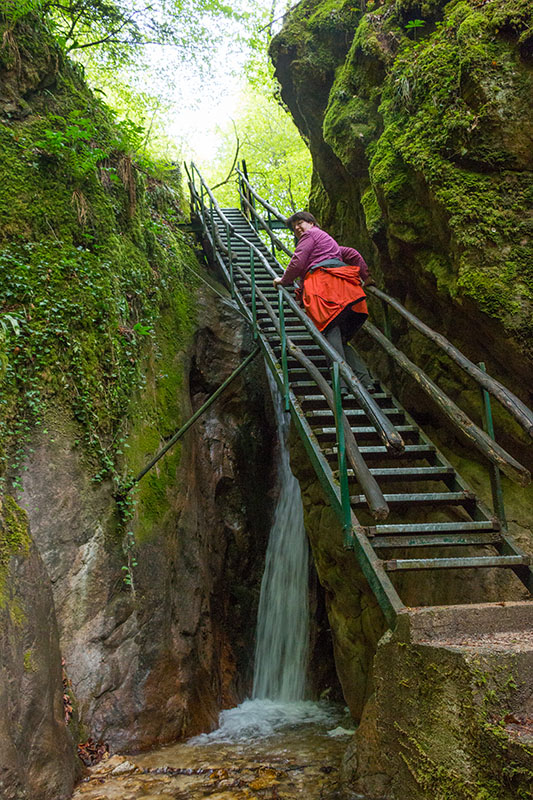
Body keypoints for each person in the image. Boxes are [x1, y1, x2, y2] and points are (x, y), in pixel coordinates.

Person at [272, 211, 374, 394]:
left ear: (312, 223)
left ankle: (341, 384)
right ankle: (366, 381)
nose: (297, 228)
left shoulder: (310, 235)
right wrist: (365, 277)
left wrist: (284, 280)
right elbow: (352, 254)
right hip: (347, 293)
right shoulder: (329, 245)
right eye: (294, 227)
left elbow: (297, 261)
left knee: (329, 330)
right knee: (340, 339)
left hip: (326, 290)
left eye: (300, 222)